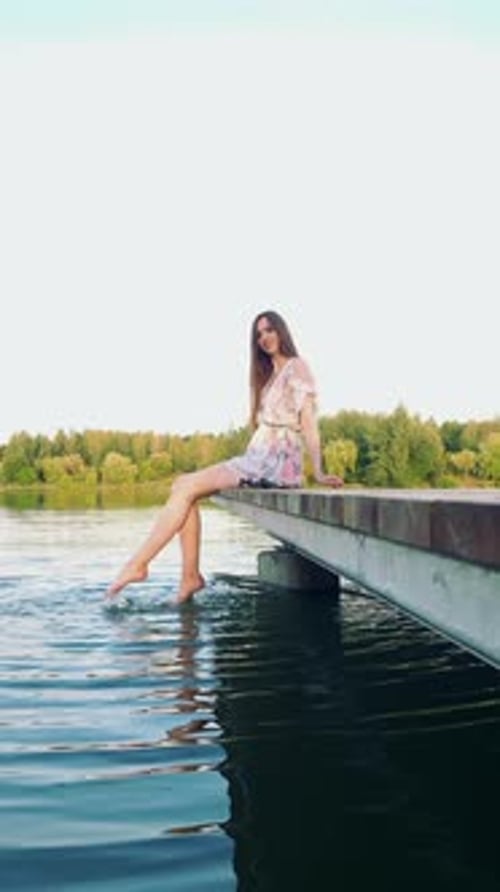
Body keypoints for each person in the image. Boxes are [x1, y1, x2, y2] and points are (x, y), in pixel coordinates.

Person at [106, 311, 343, 601]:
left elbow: (308, 421)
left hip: (276, 460)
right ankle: (189, 578)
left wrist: (317, 470)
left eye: (269, 330)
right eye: (258, 335)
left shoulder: (297, 367)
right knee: (183, 486)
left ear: (282, 331)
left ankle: (140, 565)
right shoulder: (267, 377)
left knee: (185, 487)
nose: (264, 338)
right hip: (260, 455)